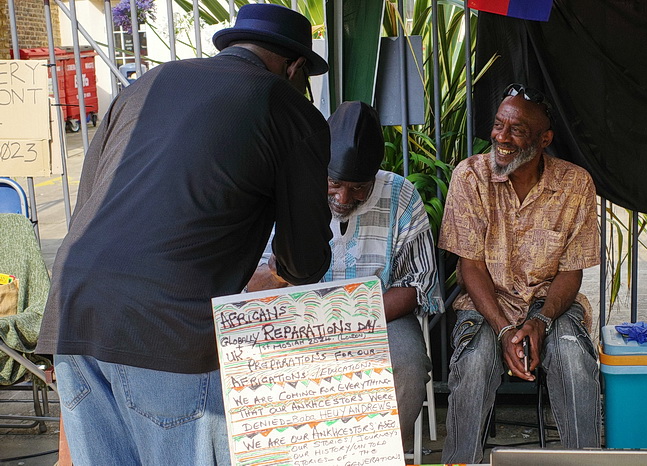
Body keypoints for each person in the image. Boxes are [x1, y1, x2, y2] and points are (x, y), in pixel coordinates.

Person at [35, 4, 333, 465]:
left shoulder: (147, 83)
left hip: (75, 306)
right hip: (167, 326)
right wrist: (288, 272)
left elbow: (90, 200)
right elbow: (305, 253)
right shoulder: (284, 103)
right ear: (294, 67)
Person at [247, 100, 444, 444]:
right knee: (257, 364)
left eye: (358, 188)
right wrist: (282, 271)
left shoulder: (401, 194)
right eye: (334, 183)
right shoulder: (285, 188)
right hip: (293, 318)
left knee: (409, 366)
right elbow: (248, 284)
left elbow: (417, 285)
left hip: (378, 315)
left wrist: (350, 319)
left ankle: (377, 453)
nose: (343, 197)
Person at [439, 83, 601, 463]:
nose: (501, 137)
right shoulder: (470, 177)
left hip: (551, 304)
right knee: (474, 363)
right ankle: (460, 462)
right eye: (498, 125)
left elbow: (570, 272)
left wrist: (542, 321)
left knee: (574, 358)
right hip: (486, 303)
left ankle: (589, 462)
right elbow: (471, 267)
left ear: (544, 139)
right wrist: (505, 328)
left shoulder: (575, 184)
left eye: (517, 130)